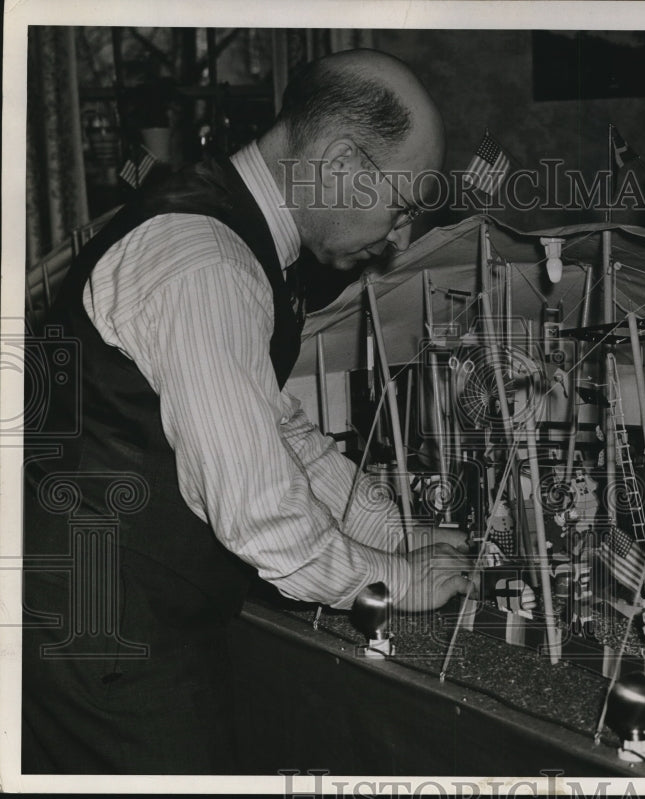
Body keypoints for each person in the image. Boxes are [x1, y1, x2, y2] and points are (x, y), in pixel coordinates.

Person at [22, 49, 470, 774]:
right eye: (405, 205)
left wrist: (391, 525)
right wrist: (394, 577)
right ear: (341, 162)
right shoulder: (207, 259)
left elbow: (271, 420)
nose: (402, 239)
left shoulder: (230, 235)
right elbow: (258, 509)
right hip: (98, 635)